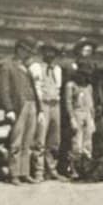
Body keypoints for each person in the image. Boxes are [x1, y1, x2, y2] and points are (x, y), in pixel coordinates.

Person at [0, 37, 44, 185]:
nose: (29, 54)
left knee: (28, 141)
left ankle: (25, 173)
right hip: (19, 107)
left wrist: (40, 109)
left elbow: (35, 89)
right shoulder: (8, 66)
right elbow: (4, 90)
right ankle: (14, 174)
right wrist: (9, 109)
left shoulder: (29, 67)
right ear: (19, 49)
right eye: (26, 51)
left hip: (32, 105)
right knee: (16, 142)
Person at [28, 40, 67, 182]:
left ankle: (52, 169)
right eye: (47, 51)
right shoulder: (36, 67)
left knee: (54, 140)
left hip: (55, 104)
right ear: (43, 53)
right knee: (40, 140)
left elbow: (58, 88)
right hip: (42, 105)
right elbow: (36, 87)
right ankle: (39, 171)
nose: (50, 54)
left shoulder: (57, 70)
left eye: (53, 52)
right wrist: (39, 108)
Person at [64, 62, 97, 179]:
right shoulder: (71, 85)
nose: (84, 77)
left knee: (88, 143)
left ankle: (87, 168)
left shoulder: (89, 86)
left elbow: (91, 104)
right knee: (76, 143)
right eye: (82, 74)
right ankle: (74, 169)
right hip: (77, 114)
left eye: (86, 75)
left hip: (87, 114)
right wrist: (72, 118)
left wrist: (92, 119)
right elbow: (68, 103)